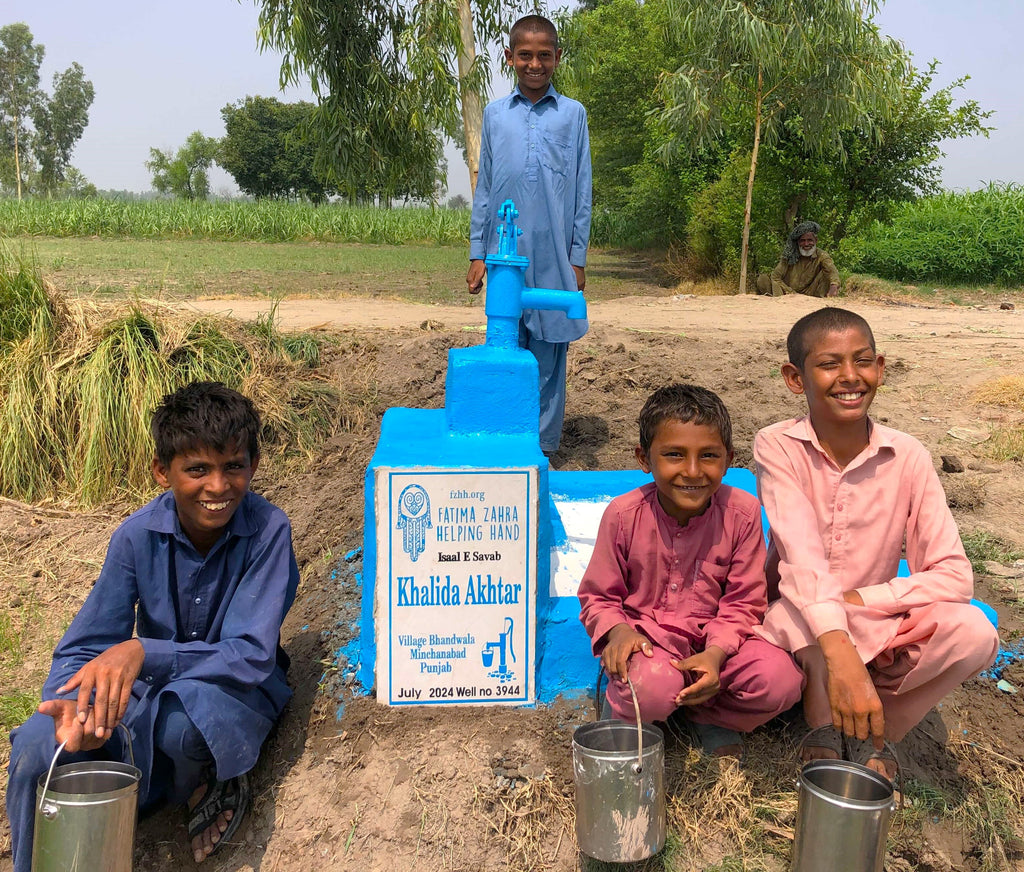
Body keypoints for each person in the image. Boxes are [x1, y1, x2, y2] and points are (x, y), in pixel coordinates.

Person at [6, 382, 300, 869]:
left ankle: (211, 778)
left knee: (183, 724)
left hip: (233, 689)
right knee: (40, 747)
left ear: (253, 465)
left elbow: (248, 654)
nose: (218, 486)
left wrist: (146, 652)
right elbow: (86, 646)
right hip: (150, 693)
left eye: (234, 466)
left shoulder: (269, 530)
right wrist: (77, 711)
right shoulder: (136, 535)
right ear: (163, 471)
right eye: (197, 469)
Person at [754, 308, 999, 780]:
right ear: (794, 377)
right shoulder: (777, 445)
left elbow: (953, 573)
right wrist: (840, 646)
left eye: (862, 361)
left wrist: (865, 599)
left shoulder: (908, 456)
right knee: (804, 620)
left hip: (875, 615)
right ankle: (822, 722)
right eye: (829, 364)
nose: (850, 377)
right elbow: (801, 560)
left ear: (880, 369)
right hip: (801, 613)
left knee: (974, 632)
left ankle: (879, 724)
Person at [578, 385, 804, 758]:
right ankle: (628, 713)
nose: (693, 471)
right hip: (650, 647)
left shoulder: (743, 514)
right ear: (643, 458)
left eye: (709, 456)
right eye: (674, 455)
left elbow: (744, 602)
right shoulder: (623, 515)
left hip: (718, 648)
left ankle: (708, 714)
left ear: (728, 459)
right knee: (650, 687)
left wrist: (715, 654)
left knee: (779, 680)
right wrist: (618, 631)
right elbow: (598, 597)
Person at [467, 14, 592, 456]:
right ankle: (506, 445)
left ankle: (543, 450)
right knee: (505, 346)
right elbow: (486, 188)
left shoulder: (573, 115)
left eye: (544, 55)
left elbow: (582, 191)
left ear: (557, 58)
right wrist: (477, 251)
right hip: (504, 255)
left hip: (554, 254)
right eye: (525, 55)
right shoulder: (495, 115)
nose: (534, 64)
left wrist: (577, 257)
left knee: (549, 353)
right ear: (510, 58)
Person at [756, 221, 840, 298]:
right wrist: (789, 293)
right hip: (786, 292)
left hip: (810, 293)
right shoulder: (789, 255)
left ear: (816, 240)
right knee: (763, 279)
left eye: (809, 240)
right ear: (798, 242)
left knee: (826, 274)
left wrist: (834, 286)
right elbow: (776, 277)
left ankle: (820, 301)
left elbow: (832, 271)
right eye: (802, 241)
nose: (806, 244)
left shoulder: (821, 255)